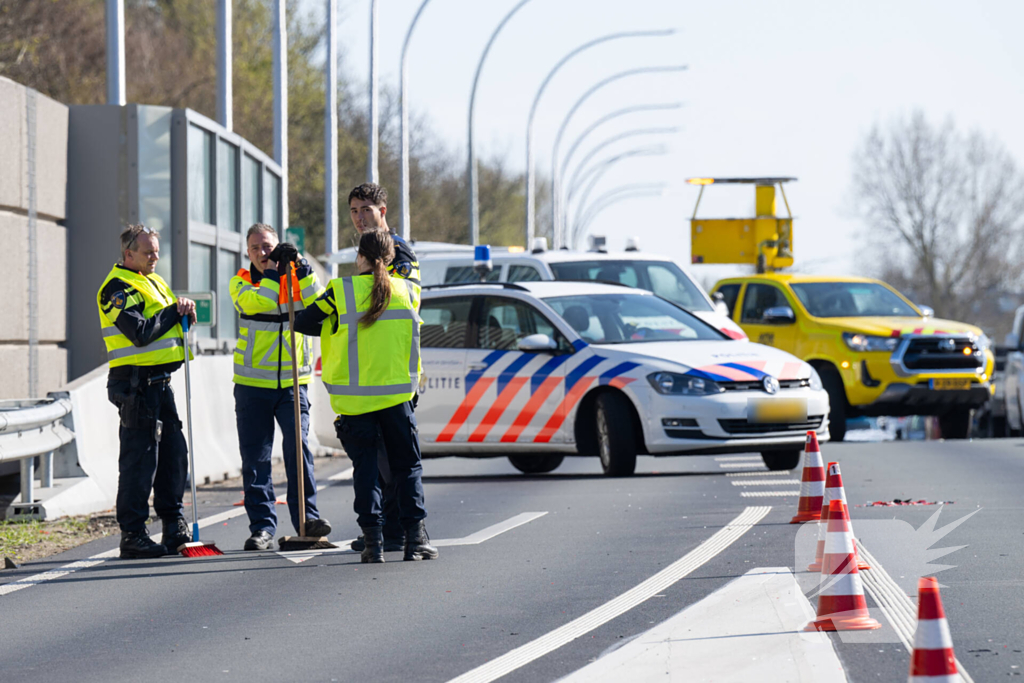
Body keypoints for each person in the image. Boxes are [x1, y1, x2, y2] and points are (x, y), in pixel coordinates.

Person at [294, 229, 437, 563]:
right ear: (390, 258)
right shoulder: (406, 290)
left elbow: (303, 322)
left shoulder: (340, 291)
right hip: (397, 398)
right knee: (407, 468)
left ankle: (373, 545)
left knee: (366, 472)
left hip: (355, 401)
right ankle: (416, 540)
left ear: (359, 257)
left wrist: (333, 324)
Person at [229, 223, 330, 550]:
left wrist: (302, 266)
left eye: (268, 246)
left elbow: (318, 303)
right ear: (247, 253)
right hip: (252, 385)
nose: (263, 252)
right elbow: (262, 302)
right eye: (256, 248)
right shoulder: (240, 283)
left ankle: (307, 519)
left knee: (299, 449)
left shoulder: (296, 279)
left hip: (292, 383)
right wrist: (275, 271)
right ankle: (262, 527)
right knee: (256, 459)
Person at [97, 225, 195, 558]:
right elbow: (139, 332)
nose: (155, 257)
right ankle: (133, 533)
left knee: (173, 456)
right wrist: (173, 311)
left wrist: (185, 314)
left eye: (156, 250)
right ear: (129, 254)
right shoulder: (115, 288)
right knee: (139, 460)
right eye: (148, 252)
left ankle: (173, 523)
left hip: (161, 382)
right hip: (135, 385)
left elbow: (167, 325)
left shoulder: (153, 280)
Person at [347, 183, 420, 552]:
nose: (360, 217)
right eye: (354, 211)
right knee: (380, 462)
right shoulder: (367, 249)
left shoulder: (398, 250)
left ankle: (400, 531)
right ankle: (387, 530)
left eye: (366, 209)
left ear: (383, 211)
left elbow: (405, 301)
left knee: (397, 461)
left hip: (393, 369)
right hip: (373, 371)